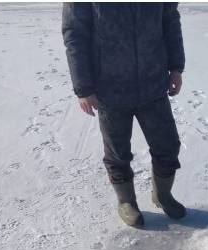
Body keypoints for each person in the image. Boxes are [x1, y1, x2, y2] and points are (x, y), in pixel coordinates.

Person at [62, 2, 186, 227]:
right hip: (110, 88)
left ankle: (163, 195)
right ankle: (126, 201)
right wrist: (84, 87)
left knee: (168, 146)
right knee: (117, 153)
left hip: (153, 83)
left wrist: (176, 67)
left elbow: (169, 19)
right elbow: (75, 34)